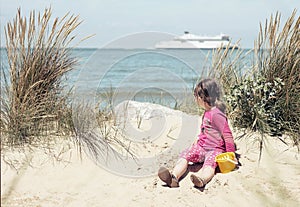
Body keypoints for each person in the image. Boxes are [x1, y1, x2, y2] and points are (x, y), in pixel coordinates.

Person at [158, 78, 236, 188]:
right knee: (185, 155)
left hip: (215, 149)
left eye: (197, 96)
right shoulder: (207, 112)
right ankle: (174, 177)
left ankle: (202, 179)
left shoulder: (217, 114)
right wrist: (197, 140)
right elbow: (205, 130)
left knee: (210, 164)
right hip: (202, 147)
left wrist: (230, 154)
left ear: (204, 97)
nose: (195, 99)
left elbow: (227, 136)